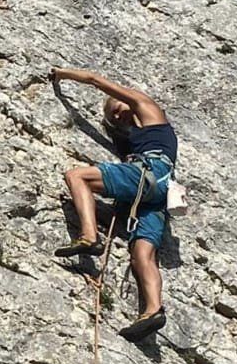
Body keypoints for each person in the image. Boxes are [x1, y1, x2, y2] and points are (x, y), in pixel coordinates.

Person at [48, 66, 177, 342]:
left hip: (148, 174)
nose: (117, 114)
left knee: (76, 176)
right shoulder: (143, 139)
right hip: (158, 193)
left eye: (117, 107)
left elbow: (95, 80)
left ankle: (89, 236)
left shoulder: (146, 107)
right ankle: (153, 311)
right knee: (143, 254)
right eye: (113, 116)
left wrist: (62, 74)